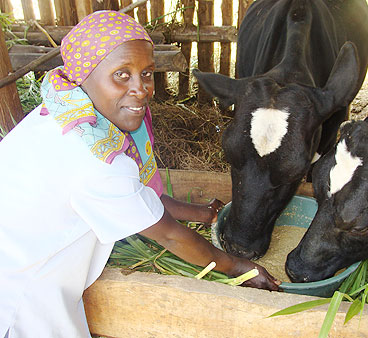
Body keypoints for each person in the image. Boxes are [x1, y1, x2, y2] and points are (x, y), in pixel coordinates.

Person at [0, 10, 279, 338]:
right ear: (83, 73)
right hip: (22, 302)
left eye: (146, 73)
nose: (142, 89)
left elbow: (142, 193)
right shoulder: (96, 160)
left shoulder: (62, 110)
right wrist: (239, 266)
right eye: (122, 74)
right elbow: (168, 234)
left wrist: (203, 213)